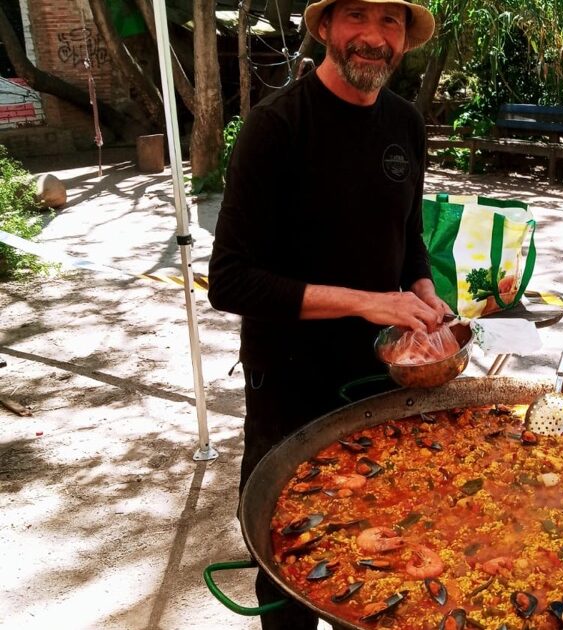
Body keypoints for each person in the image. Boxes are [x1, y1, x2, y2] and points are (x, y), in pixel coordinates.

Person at [207, 0, 444, 626]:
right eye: (357, 18)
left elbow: (407, 235)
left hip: (385, 378)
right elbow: (230, 282)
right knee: (293, 552)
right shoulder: (276, 125)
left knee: (382, 539)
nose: (372, 36)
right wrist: (368, 301)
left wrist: (419, 286)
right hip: (291, 378)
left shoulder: (404, 123)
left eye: (390, 21)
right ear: (325, 28)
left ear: (405, 39)